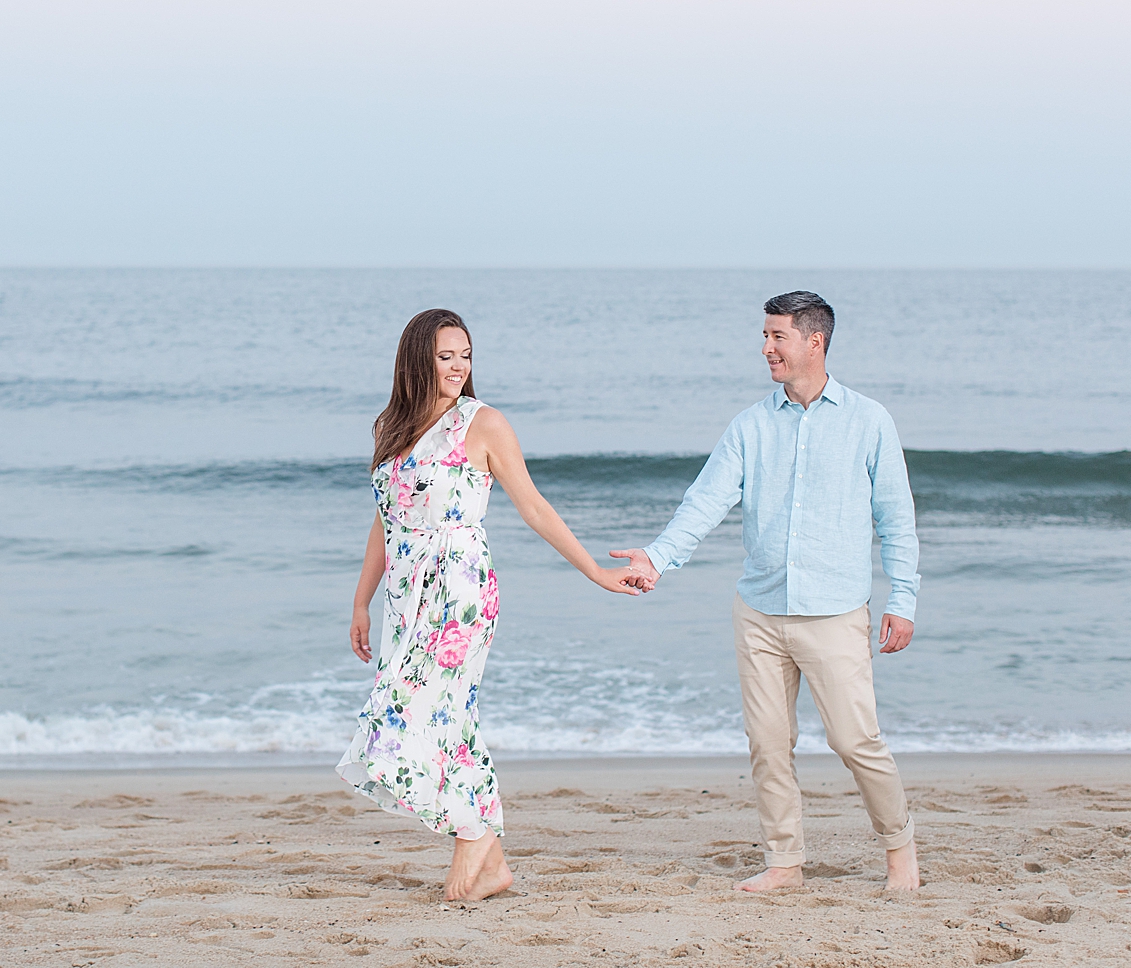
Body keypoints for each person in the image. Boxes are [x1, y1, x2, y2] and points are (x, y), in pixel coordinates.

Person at [338, 308, 656, 902]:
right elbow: (385, 523)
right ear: (416, 360)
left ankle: (472, 846)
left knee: (438, 713)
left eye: (466, 356)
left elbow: (534, 507)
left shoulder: (482, 423)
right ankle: (494, 861)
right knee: (430, 714)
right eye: (445, 356)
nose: (459, 367)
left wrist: (594, 573)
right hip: (408, 593)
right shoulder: (391, 426)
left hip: (459, 586)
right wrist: (362, 601)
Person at [610, 290, 923, 892]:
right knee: (769, 745)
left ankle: (900, 851)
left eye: (777, 336)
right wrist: (658, 557)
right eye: (765, 336)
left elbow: (897, 519)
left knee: (856, 741)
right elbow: (705, 502)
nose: (766, 348)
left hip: (835, 612)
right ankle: (785, 862)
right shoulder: (751, 425)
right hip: (758, 610)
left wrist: (901, 601)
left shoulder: (868, 421)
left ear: (815, 341)